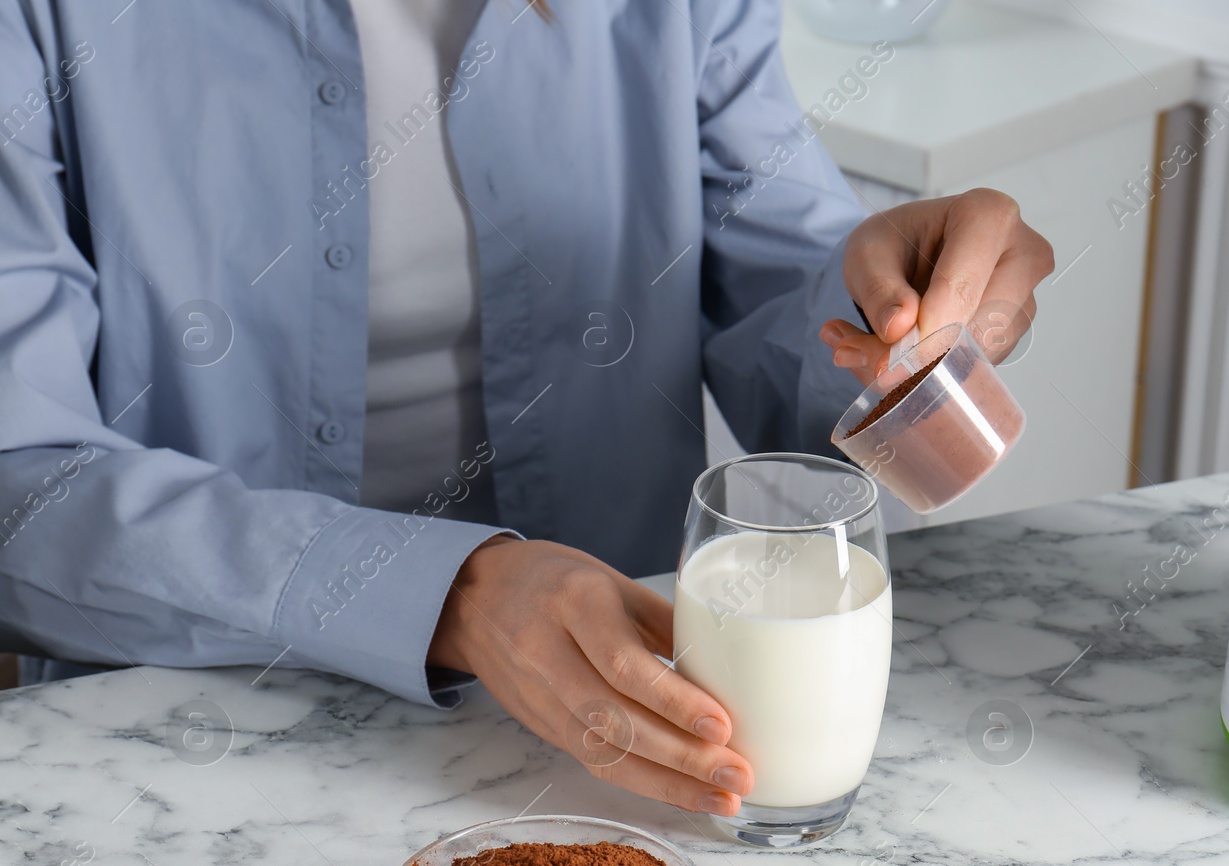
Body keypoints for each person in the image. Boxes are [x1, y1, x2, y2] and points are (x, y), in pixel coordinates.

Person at [0, 0, 1052, 816]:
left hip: (634, 733)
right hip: (188, 733)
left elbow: (787, 322)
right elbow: (24, 488)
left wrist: (894, 323)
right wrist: (453, 596)